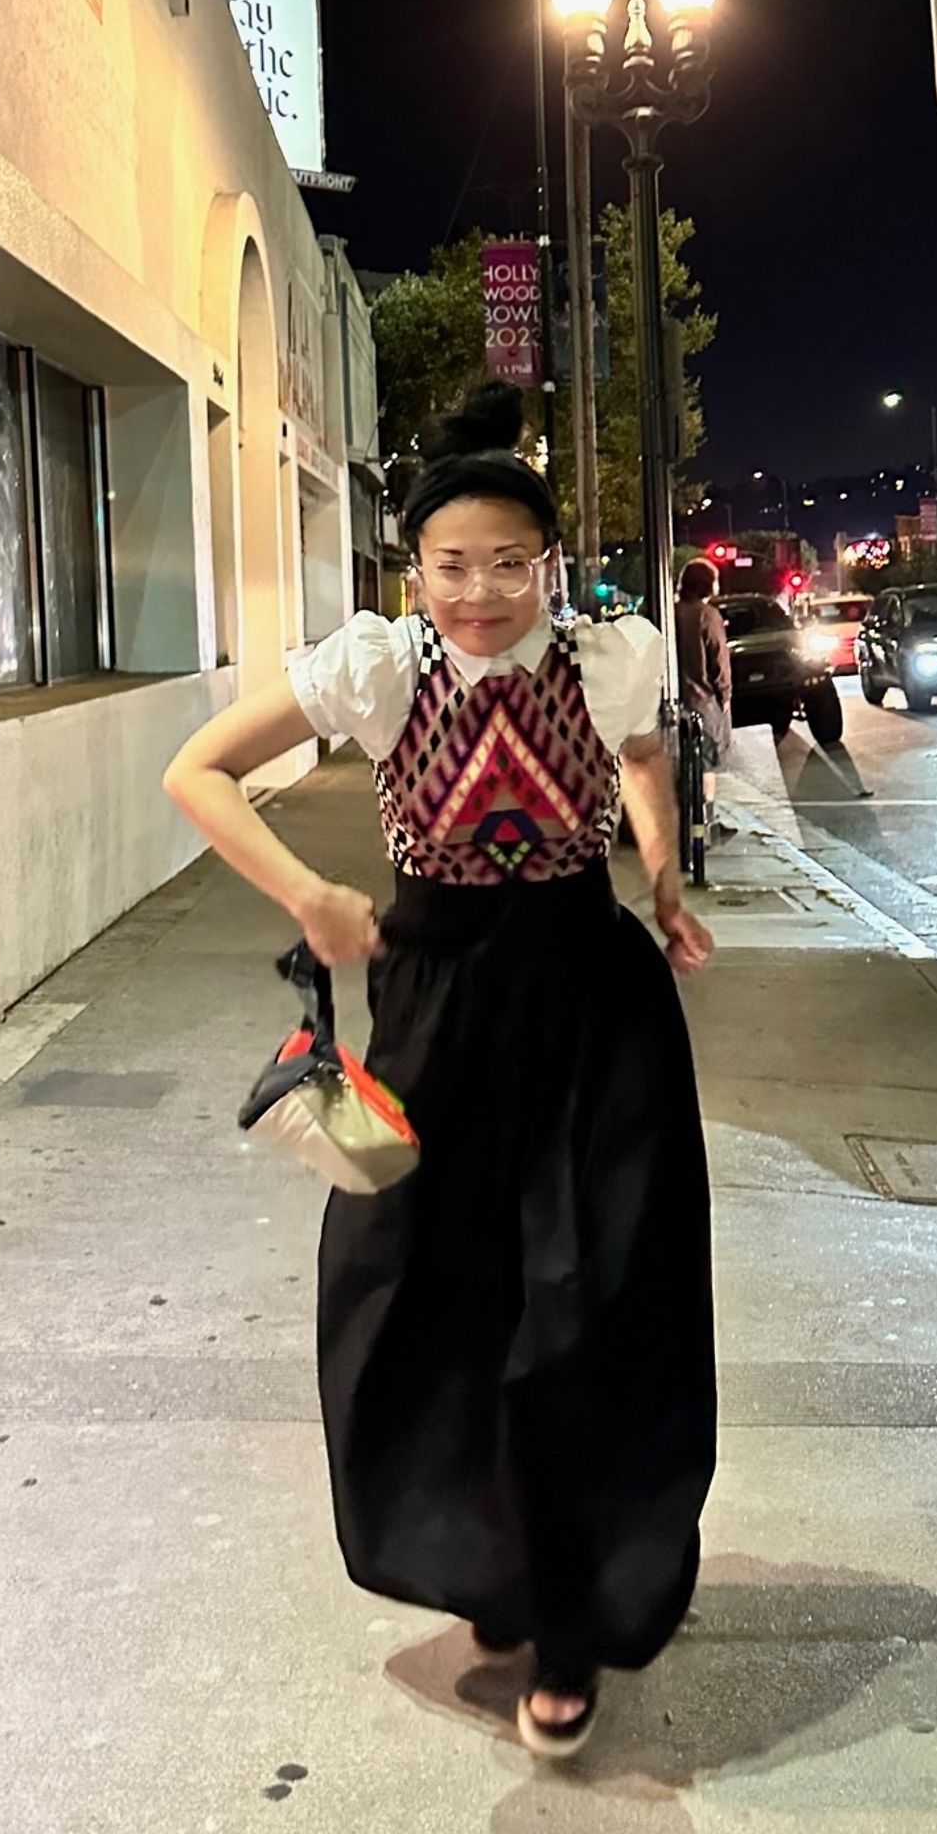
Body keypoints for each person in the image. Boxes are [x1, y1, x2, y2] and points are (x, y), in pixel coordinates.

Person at [163, 381, 717, 1760]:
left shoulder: (608, 654)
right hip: (431, 1004)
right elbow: (197, 773)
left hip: (592, 999)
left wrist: (655, 872)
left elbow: (642, 756)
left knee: (593, 1290)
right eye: (451, 565)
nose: (480, 593)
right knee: (419, 1297)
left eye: (508, 564)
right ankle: (495, 1555)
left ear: (549, 563)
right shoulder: (376, 666)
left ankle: (573, 1614)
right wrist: (311, 895)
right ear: (414, 569)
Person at [674, 558, 732, 816]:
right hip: (703, 702)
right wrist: (725, 695)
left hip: (672, 702)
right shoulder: (707, 616)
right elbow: (718, 660)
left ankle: (684, 821)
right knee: (706, 765)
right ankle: (703, 821)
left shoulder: (669, 612)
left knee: (680, 766)